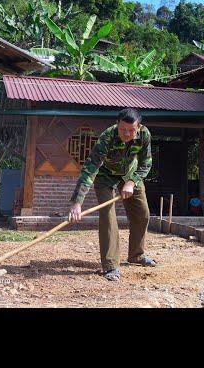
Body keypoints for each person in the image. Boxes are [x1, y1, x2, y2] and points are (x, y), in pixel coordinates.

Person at [67, 108, 156, 282]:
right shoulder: (106, 138)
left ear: (138, 127)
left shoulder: (145, 135)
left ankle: (136, 255)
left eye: (131, 130)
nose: (127, 134)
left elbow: (146, 162)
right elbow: (90, 169)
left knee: (142, 213)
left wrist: (131, 182)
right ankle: (111, 265)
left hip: (131, 176)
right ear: (117, 125)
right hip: (105, 178)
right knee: (108, 216)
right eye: (123, 129)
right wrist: (77, 202)